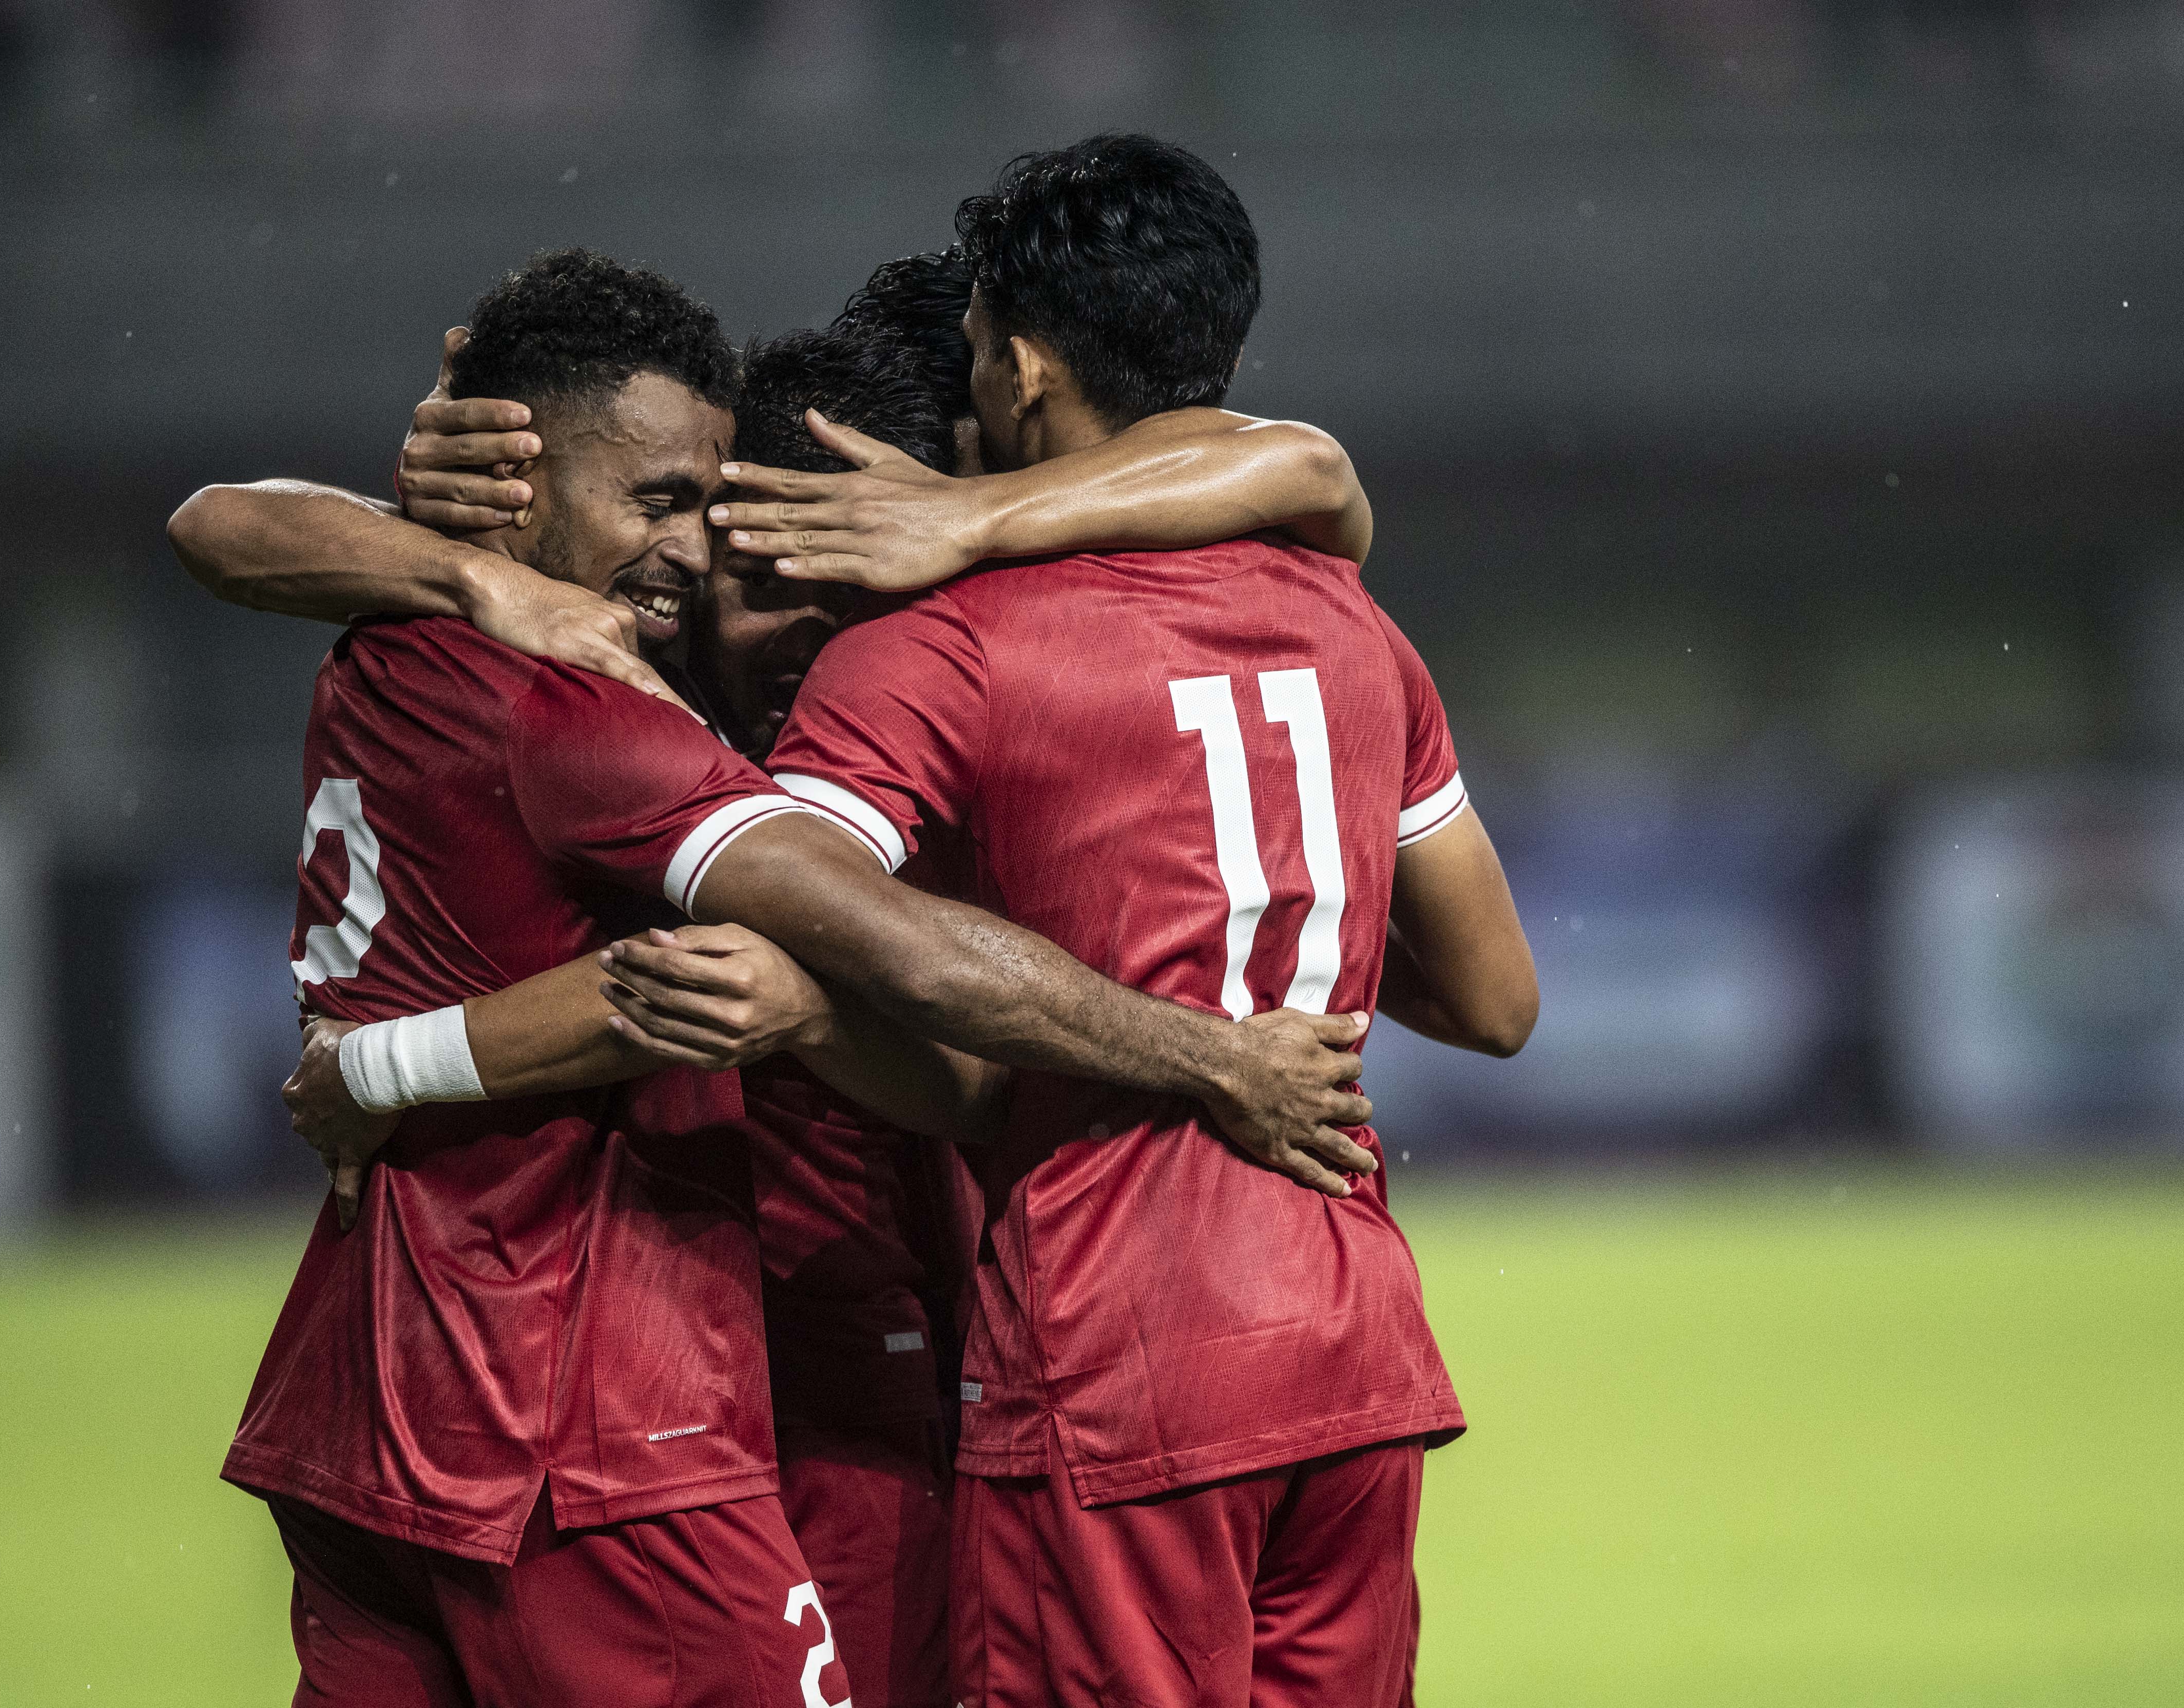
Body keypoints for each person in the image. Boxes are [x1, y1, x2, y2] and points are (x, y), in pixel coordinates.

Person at [167, 247, 1383, 1705]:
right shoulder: (604, 710)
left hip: (449, 1400)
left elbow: (1311, 473)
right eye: (685, 519)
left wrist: (377, 1065)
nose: (706, 572)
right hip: (624, 1416)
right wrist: (1215, 1057)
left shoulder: (431, 652)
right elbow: (892, 989)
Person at [687, 135, 1539, 1707]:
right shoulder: (1354, 622)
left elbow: (778, 880)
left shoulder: (949, 648)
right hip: (1349, 1337)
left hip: (1118, 1350)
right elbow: (1493, 999)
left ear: (1013, 363)